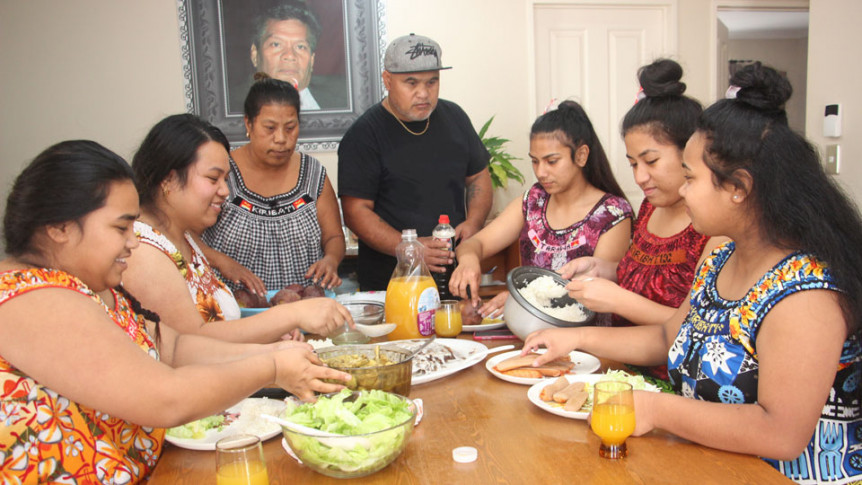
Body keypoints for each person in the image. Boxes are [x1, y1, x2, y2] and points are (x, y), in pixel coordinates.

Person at [523, 63, 862, 484]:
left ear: (738, 187)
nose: (681, 191)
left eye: (690, 177)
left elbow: (781, 434)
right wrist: (574, 338)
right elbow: (669, 337)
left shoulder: (806, 293)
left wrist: (654, 409)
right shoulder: (720, 257)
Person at [0, 140, 350, 483]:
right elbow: (164, 398)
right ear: (59, 227)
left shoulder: (92, 286)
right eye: (121, 228)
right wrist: (271, 367)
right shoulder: (29, 296)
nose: (133, 242)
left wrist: (278, 351)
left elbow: (175, 347)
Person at [555, 59, 725, 380]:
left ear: (690, 153)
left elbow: (689, 327)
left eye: (651, 161)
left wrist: (618, 301)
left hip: (672, 379)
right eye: (633, 164)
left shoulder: (714, 229)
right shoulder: (649, 208)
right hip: (620, 366)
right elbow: (642, 275)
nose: (640, 177)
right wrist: (601, 270)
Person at [124, 114, 352, 343]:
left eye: (225, 179)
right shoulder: (143, 250)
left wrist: (269, 336)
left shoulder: (183, 238)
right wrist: (290, 316)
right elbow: (193, 343)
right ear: (168, 180)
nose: (224, 191)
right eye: (213, 179)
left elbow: (219, 329)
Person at [338, 33, 493, 291]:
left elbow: (478, 176)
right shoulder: (364, 135)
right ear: (387, 80)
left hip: (452, 277)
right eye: (411, 83)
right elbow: (356, 212)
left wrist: (474, 221)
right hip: (391, 281)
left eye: (432, 82)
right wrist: (409, 248)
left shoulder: (454, 117)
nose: (423, 93)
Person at [449, 100, 633, 315]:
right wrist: (469, 260)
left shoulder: (612, 214)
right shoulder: (533, 202)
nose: (541, 172)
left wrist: (524, 297)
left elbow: (596, 289)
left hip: (589, 339)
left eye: (552, 161)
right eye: (535, 161)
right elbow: (474, 244)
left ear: (581, 155)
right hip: (531, 330)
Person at [203, 73, 345, 292]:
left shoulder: (313, 174)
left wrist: (331, 260)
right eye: (269, 128)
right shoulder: (223, 172)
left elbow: (334, 236)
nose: (280, 138)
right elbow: (186, 235)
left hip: (304, 311)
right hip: (235, 313)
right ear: (248, 123)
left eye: (290, 128)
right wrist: (223, 262)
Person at [230, 1, 348, 112]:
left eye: (300, 46)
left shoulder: (346, 96)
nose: (290, 55)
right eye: (276, 44)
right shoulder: (231, 107)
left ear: (312, 60)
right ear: (255, 55)